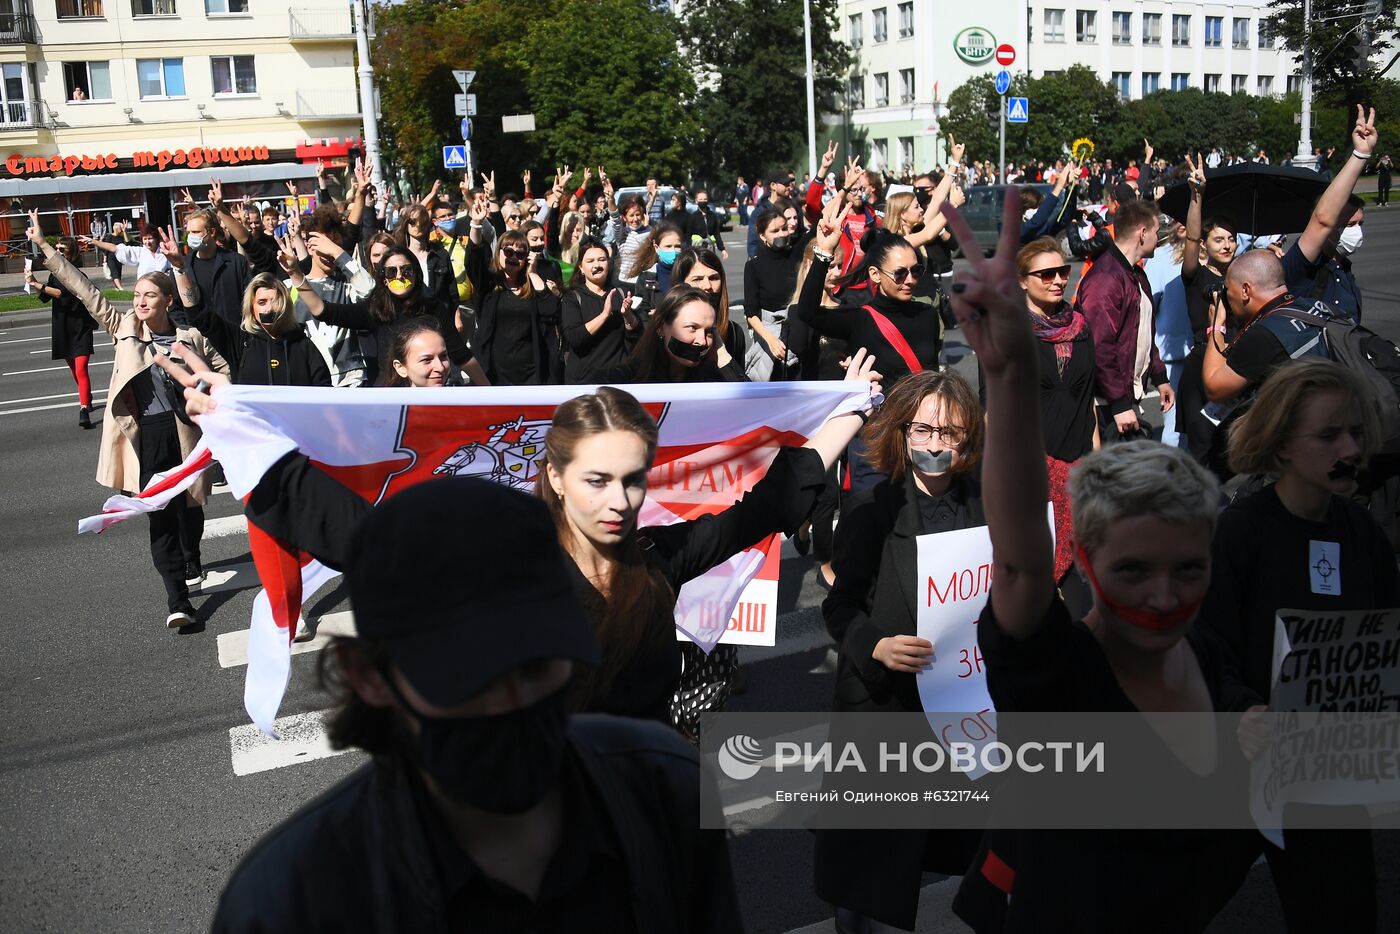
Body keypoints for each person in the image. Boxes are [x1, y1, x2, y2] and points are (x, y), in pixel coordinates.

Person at [178, 346, 878, 733]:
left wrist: (847, 407)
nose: (620, 501)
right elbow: (365, 536)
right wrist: (232, 419)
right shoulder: (509, 564)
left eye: (634, 480)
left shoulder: (657, 559)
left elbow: (766, 505)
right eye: (598, 480)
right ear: (554, 475)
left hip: (645, 807)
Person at [199, 450, 744, 931]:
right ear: (368, 677)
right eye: (468, 682)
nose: (514, 709)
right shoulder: (290, 903)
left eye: (539, 667)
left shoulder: (665, 788)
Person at [939, 188, 1259, 932]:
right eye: (1131, 571)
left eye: (1188, 570)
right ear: (1086, 561)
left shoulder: (1208, 658)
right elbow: (1019, 561)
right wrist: (1011, 376)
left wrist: (1251, 721)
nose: (1161, 596)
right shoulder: (1061, 678)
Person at [1203, 358, 1394, 933]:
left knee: (1340, 911)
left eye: (1356, 432)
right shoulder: (1239, 533)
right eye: (1330, 435)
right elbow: (1203, 644)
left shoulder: (1361, 533)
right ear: (1283, 446)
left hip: (1327, 770)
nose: (1351, 449)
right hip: (1236, 771)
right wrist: (1240, 709)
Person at [813, 370, 988, 933]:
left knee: (959, 848)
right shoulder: (872, 507)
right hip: (885, 706)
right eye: (924, 430)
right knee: (869, 874)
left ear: (969, 440)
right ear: (904, 432)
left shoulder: (986, 505)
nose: (935, 444)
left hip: (961, 707)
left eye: (950, 434)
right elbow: (839, 608)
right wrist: (877, 647)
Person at [29, 211, 228, 627]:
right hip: (148, 437)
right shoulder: (123, 329)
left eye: (148, 295)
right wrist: (46, 248)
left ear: (167, 301)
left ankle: (191, 558)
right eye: (136, 294)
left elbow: (223, 374)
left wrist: (203, 390)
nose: (139, 301)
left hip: (187, 434)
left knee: (190, 512)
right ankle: (178, 601)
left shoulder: (190, 338)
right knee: (160, 516)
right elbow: (85, 291)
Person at [797, 220, 943, 490]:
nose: (910, 280)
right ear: (875, 274)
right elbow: (807, 312)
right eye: (900, 273)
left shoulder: (928, 315)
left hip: (923, 436)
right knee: (871, 520)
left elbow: (931, 374)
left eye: (916, 271)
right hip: (876, 441)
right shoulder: (860, 319)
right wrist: (823, 254)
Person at [1015, 238, 1098, 593]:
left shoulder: (1080, 327)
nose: (1058, 280)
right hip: (1034, 466)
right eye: (1046, 274)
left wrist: (1096, 464)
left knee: (1081, 574)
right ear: (1022, 281)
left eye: (1063, 272)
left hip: (1078, 464)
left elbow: (1087, 399)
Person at [289, 244, 486, 387]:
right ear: (384, 279)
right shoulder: (375, 309)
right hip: (389, 396)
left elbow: (461, 354)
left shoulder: (433, 308)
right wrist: (295, 275)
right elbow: (322, 311)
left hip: (430, 394)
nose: (399, 276)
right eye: (392, 272)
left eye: (406, 270)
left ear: (416, 274)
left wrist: (492, 394)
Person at [1073, 198, 1175, 442]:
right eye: (1156, 231)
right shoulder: (1106, 279)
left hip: (1122, 399)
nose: (1158, 237)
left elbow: (1143, 332)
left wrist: (1160, 378)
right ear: (1142, 233)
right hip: (1104, 405)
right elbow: (1099, 347)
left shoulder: (1136, 273)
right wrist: (1119, 404)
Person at [1276, 105, 1378, 321]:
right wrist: (1360, 154)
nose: (1357, 232)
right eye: (1349, 225)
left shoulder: (1343, 269)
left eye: (1360, 224)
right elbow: (1322, 219)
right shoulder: (1302, 266)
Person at [1175, 153, 1239, 458]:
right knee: (1202, 451)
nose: (1226, 245)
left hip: (1237, 363)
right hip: (1202, 365)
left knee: (1238, 448)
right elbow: (1191, 236)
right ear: (1205, 245)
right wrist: (1197, 196)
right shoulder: (1195, 274)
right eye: (1218, 240)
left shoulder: (1243, 276)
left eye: (1231, 239)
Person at [464, 199, 562, 385]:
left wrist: (532, 274)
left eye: (520, 254)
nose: (514, 257)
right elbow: (474, 258)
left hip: (531, 374)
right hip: (493, 373)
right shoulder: (489, 284)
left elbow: (551, 311)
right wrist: (476, 224)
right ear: (499, 252)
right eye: (509, 252)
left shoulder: (532, 284)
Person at [187, 272, 331, 387]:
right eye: (262, 302)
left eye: (275, 301)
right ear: (252, 309)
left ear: (285, 306)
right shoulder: (241, 342)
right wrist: (180, 269)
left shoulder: (303, 345)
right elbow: (199, 314)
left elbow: (324, 393)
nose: (269, 308)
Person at [593, 286, 744, 384]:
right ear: (660, 327)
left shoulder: (711, 380)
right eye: (692, 327)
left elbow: (752, 408)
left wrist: (721, 353)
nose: (702, 341)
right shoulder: (620, 381)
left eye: (709, 332)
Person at [27, 237, 97, 428]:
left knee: (81, 368)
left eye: (62, 249)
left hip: (80, 327)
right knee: (74, 369)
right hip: (63, 327)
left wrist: (37, 284)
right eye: (56, 248)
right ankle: (86, 395)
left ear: (72, 253)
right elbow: (46, 297)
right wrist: (33, 284)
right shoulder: (54, 274)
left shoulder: (77, 274)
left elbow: (61, 294)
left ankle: (83, 409)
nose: (58, 252)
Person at [560, 238, 639, 384]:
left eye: (602, 259)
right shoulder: (572, 297)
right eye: (590, 261)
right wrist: (604, 315)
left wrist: (628, 315)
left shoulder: (621, 293)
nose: (597, 265)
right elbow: (575, 338)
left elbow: (636, 336)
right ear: (581, 267)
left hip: (617, 378)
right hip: (584, 380)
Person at [743, 205, 802, 379]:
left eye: (784, 229)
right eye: (774, 230)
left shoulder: (797, 257)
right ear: (762, 236)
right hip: (769, 335)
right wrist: (770, 340)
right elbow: (751, 313)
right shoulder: (753, 266)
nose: (781, 234)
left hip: (798, 332)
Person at [179, 201, 252, 328]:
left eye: (196, 232)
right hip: (198, 338)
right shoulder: (183, 266)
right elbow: (176, 306)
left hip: (233, 335)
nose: (191, 237)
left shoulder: (236, 262)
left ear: (211, 232)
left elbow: (249, 298)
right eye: (189, 232)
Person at [82, 224, 172, 282]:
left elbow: (175, 268)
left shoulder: (164, 253)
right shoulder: (140, 252)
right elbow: (114, 248)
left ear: (156, 239)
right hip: (144, 290)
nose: (147, 242)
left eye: (150, 238)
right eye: (145, 239)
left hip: (163, 291)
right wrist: (94, 242)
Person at [688, 189, 727, 257]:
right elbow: (688, 235)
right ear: (696, 201)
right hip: (696, 249)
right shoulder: (693, 217)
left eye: (705, 199)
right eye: (700, 199)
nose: (703, 201)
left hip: (710, 248)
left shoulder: (712, 216)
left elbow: (716, 234)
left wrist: (722, 249)